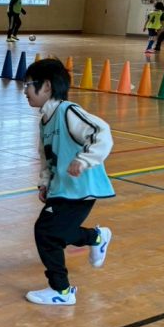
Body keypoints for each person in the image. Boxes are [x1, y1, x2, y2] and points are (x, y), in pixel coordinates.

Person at [22, 58, 115, 306]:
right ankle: (96, 237)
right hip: (62, 189)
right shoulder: (45, 120)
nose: (25, 91)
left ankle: (61, 291)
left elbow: (101, 133)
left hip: (82, 188)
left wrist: (85, 160)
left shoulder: (68, 111)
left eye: (29, 85)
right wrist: (45, 182)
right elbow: (47, 156)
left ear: (47, 86)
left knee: (46, 232)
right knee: (56, 233)